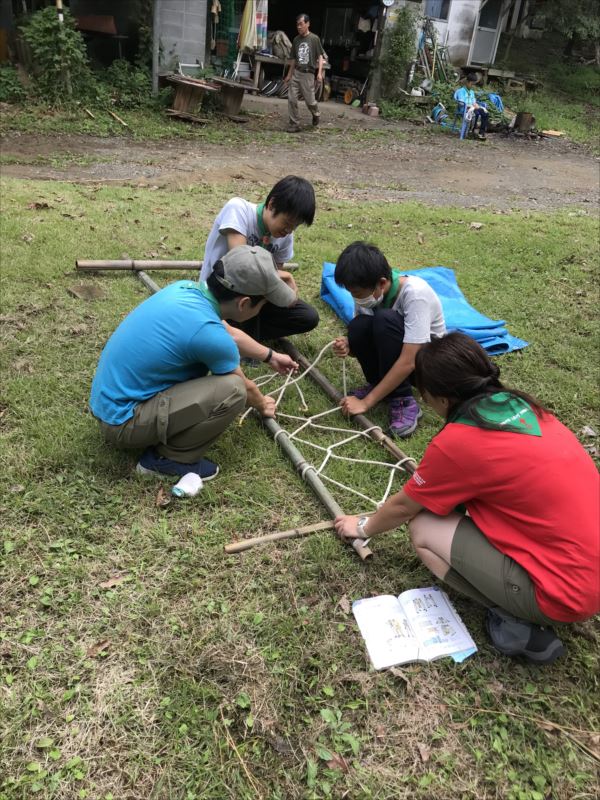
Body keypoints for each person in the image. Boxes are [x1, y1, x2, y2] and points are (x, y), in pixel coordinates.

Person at [335, 333, 600, 665]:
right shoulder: (523, 406)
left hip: (563, 594)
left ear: (441, 398)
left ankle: (515, 621)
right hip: (589, 568)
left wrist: (362, 526)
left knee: (424, 528)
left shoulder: (459, 442)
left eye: (425, 395)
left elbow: (405, 507)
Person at [90, 246, 299, 479]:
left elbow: (229, 332)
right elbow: (246, 387)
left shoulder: (186, 290)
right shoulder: (209, 334)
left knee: (229, 385)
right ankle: (166, 460)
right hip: (123, 424)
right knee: (233, 390)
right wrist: (262, 403)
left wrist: (270, 356)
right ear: (244, 303)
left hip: (107, 406)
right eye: (263, 304)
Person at [332, 242, 445, 437]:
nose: (355, 298)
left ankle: (402, 399)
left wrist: (366, 403)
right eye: (351, 293)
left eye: (357, 294)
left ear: (382, 283)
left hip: (423, 366)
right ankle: (379, 385)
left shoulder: (415, 294)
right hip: (397, 355)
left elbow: (409, 360)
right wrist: (349, 346)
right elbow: (365, 336)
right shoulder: (369, 295)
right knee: (358, 326)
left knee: (385, 319)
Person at [201, 175, 319, 341]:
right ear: (271, 204)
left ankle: (237, 332)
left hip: (254, 298)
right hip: (225, 293)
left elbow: (271, 280)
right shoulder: (238, 209)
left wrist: (284, 291)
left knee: (307, 316)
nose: (289, 230)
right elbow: (245, 269)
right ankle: (240, 335)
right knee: (252, 291)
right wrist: (286, 276)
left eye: (294, 227)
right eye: (287, 223)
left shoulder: (285, 235)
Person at [284, 13, 325, 133]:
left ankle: (316, 113)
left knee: (310, 101)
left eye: (301, 24)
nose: (299, 27)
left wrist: (319, 73)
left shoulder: (314, 39)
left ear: (308, 24)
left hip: (308, 74)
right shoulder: (296, 40)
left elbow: (320, 56)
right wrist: (288, 75)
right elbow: (294, 60)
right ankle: (294, 124)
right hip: (297, 72)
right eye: (297, 25)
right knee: (291, 99)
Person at [454, 73, 489, 140]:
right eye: (471, 84)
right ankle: (471, 131)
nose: (472, 86)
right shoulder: (461, 91)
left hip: (472, 108)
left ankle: (481, 133)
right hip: (464, 109)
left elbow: (474, 102)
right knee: (476, 113)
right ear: (467, 82)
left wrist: (476, 105)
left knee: (485, 113)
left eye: (473, 84)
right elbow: (461, 103)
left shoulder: (472, 92)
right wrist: (471, 106)